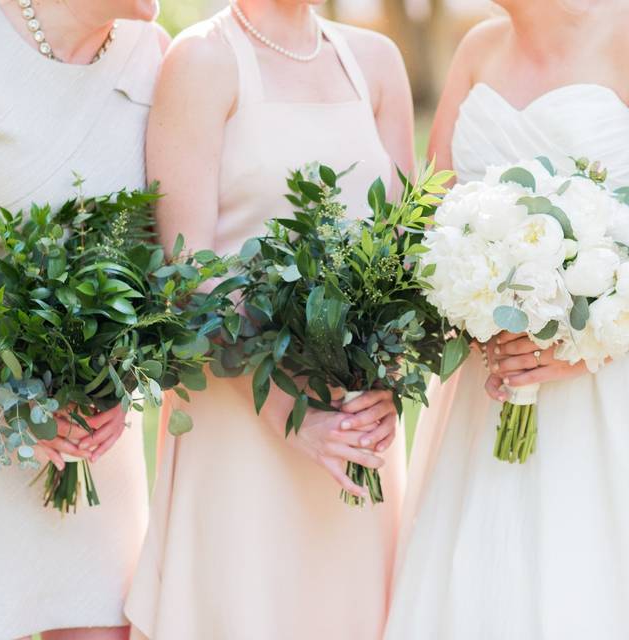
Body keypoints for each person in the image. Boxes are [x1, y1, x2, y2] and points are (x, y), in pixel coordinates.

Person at [384, 0, 629, 637]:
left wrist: (584, 341)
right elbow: (433, 224)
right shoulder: (477, 51)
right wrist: (472, 300)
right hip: (494, 396)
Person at [123, 1, 414, 638]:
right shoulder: (202, 60)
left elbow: (405, 255)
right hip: (242, 423)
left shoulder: (376, 62)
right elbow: (186, 281)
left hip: (354, 434)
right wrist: (293, 415)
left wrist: (387, 384)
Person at [0, 0, 167, 637]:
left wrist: (125, 380)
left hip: (93, 438)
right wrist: (3, 399)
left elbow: (165, 261)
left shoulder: (153, 57)